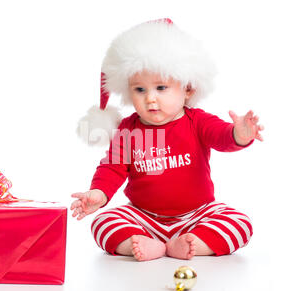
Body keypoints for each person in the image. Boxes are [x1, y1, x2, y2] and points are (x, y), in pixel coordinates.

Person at [71, 19, 264, 261]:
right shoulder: (128, 129)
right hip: (143, 217)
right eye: (140, 90)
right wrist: (99, 193)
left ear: (188, 89)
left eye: (161, 88)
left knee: (239, 223)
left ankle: (194, 243)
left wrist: (239, 135)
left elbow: (221, 136)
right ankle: (141, 244)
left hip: (197, 215)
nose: (150, 99)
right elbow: (112, 167)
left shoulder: (198, 121)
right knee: (103, 223)